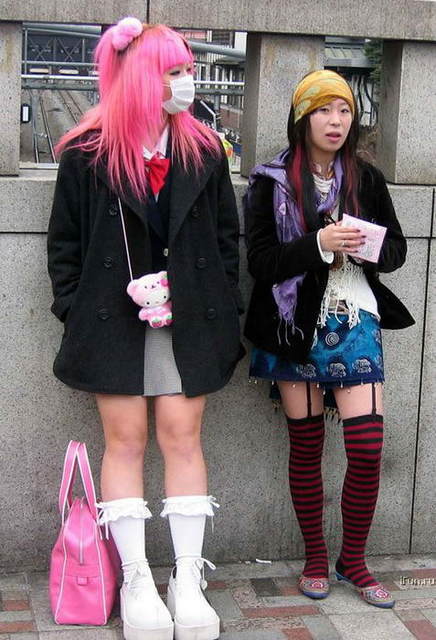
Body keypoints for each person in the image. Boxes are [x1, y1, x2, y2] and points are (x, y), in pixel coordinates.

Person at [47, 17, 244, 640]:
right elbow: (66, 247)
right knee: (125, 439)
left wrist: (218, 305)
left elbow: (225, 239)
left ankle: (187, 578)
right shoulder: (87, 153)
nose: (186, 81)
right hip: (113, 318)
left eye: (187, 70)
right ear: (140, 77)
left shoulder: (205, 149)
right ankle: (135, 578)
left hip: (189, 318)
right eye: (175, 71)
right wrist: (78, 309)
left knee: (182, 437)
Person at [244, 70, 414, 609]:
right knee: (307, 445)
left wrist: (365, 244)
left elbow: (396, 253)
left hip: (354, 322)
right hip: (293, 327)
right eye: (323, 111)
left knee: (366, 448)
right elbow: (262, 263)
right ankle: (317, 559)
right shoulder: (270, 182)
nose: (336, 121)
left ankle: (354, 561)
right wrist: (316, 242)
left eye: (343, 111)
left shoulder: (366, 178)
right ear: (302, 118)